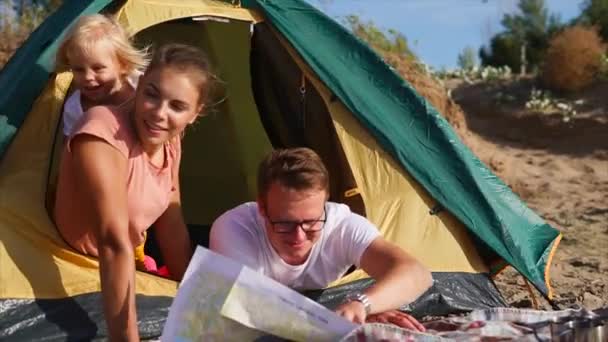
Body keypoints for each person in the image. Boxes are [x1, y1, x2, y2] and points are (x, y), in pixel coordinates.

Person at [54, 43, 216, 341]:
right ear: (139, 84)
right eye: (152, 94)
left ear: (195, 113)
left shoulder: (170, 139)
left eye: (177, 106)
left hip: (132, 256)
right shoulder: (102, 131)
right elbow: (113, 242)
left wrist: (194, 297)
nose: (159, 114)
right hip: (82, 262)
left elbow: (172, 223)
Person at [210, 147, 433, 331]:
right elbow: (245, 307)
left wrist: (363, 305)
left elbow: (417, 274)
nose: (299, 236)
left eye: (311, 222)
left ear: (325, 204)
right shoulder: (234, 228)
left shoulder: (341, 225)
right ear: (262, 208)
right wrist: (341, 318)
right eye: (285, 223)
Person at [55, 14, 147, 138]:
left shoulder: (141, 85)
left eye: (98, 68)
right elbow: (70, 148)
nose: (88, 77)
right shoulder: (75, 108)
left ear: (123, 65)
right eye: (78, 69)